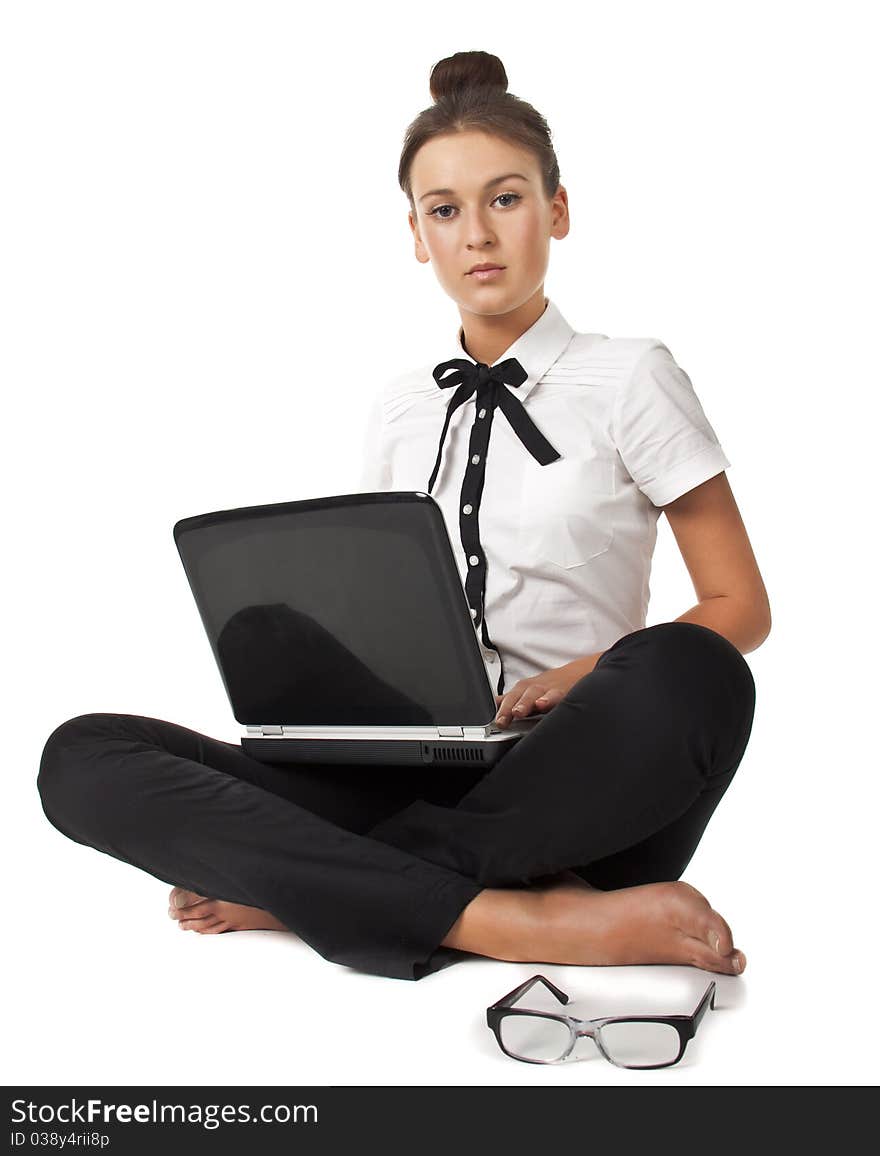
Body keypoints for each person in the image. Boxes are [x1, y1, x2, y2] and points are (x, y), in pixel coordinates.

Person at [36, 50, 770, 983]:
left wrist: (586, 674)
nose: (478, 235)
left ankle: (314, 888)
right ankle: (527, 922)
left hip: (574, 780)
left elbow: (741, 605)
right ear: (417, 236)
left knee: (694, 668)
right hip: (408, 774)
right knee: (83, 756)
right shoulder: (398, 407)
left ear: (558, 210)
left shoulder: (631, 376)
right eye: (444, 210)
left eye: (505, 199)